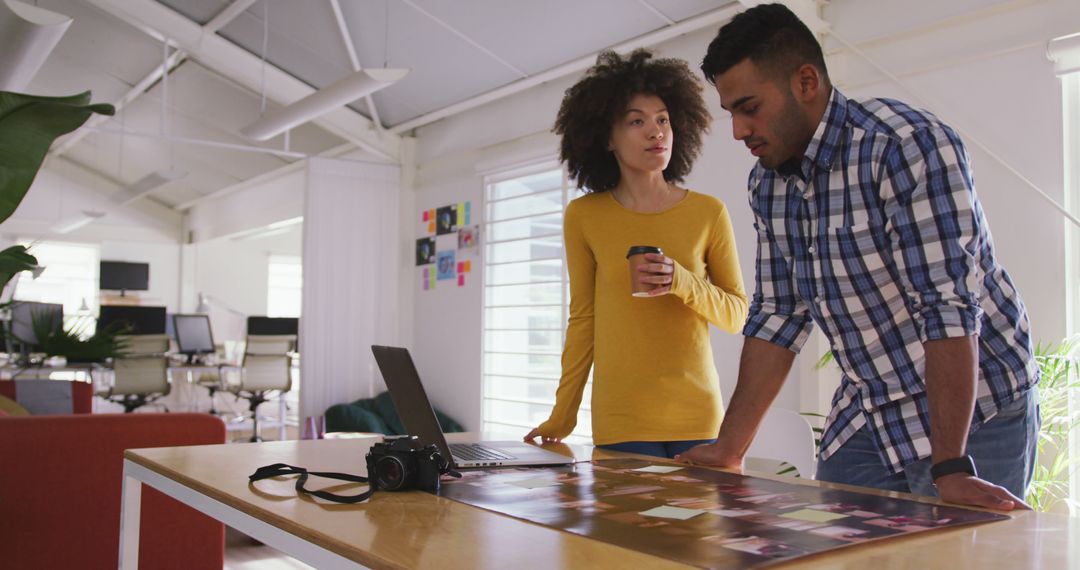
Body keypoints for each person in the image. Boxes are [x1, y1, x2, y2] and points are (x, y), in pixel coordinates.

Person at [677, 3, 1040, 511]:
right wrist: (729, 448)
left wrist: (951, 467)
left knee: (961, 555)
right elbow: (780, 316)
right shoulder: (768, 184)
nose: (738, 130)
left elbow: (947, 307)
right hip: (873, 403)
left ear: (806, 82)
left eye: (749, 107)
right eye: (731, 112)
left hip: (979, 404)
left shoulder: (906, 146)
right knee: (839, 549)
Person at [523, 49, 749, 459]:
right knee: (622, 527)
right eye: (637, 121)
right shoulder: (585, 216)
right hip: (620, 423)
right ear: (607, 138)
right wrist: (563, 415)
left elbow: (736, 315)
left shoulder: (708, 212)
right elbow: (583, 321)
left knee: (701, 526)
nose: (655, 132)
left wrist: (681, 280)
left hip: (699, 422)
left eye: (662, 119)